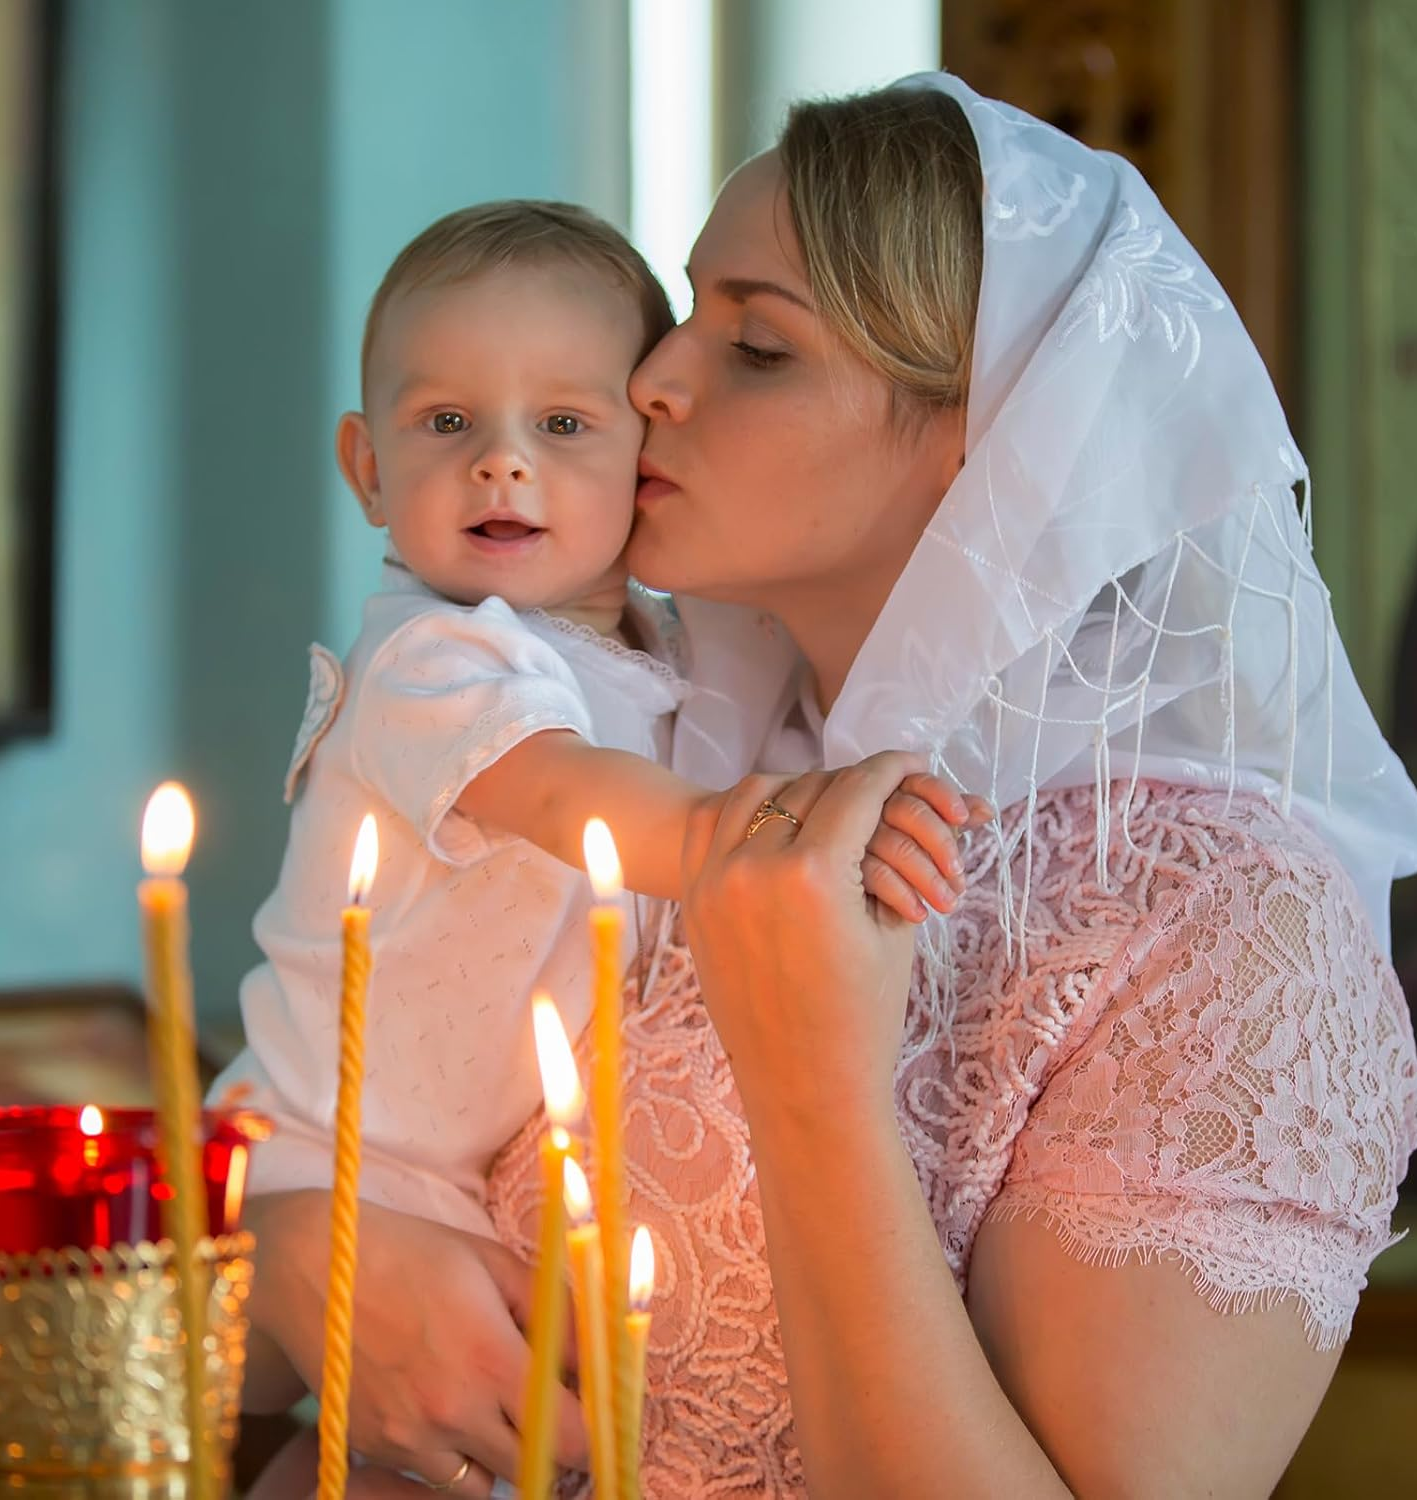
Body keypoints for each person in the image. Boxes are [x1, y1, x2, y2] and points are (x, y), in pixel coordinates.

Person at [245, 75, 1417, 1498]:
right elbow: (344, 1087)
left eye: (753, 345)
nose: (652, 380)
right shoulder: (666, 734)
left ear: (993, 443)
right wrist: (306, 1250)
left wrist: (816, 1081)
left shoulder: (1224, 936)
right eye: (680, 313)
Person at [219, 202, 970, 1249]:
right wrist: (786, 832)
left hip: (474, 1168)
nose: (502, 464)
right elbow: (565, 792)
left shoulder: (667, 642)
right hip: (322, 1147)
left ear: (641, 458)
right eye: (447, 423)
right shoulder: (437, 655)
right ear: (368, 470)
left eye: (563, 426)